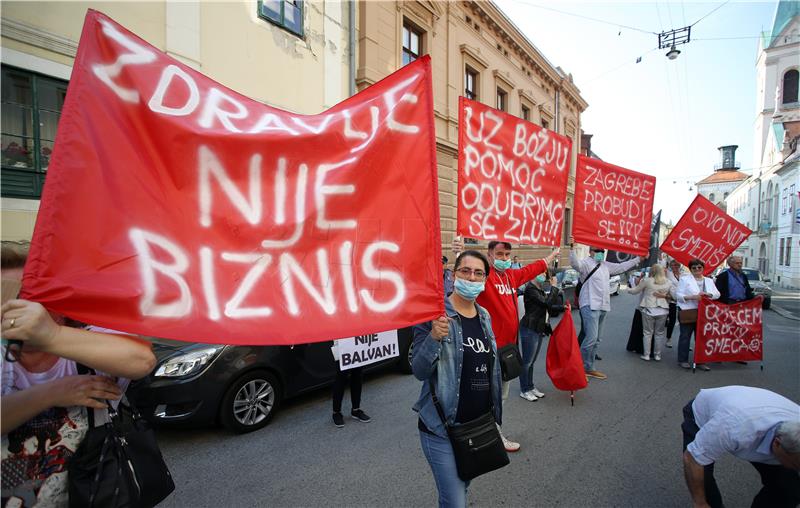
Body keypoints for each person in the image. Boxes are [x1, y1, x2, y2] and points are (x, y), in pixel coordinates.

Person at [0, 240, 157, 507]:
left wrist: (51, 335)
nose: (20, 313)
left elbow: (141, 360)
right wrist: (55, 392)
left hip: (96, 491)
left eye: (30, 298)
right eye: (8, 299)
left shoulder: (86, 342)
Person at [412, 250, 503, 507]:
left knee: (462, 488)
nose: (471, 278)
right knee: (455, 501)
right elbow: (419, 370)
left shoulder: (485, 316)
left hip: (476, 427)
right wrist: (433, 337)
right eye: (465, 271)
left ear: (485, 279)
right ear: (453, 275)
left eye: (478, 273)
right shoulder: (434, 316)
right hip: (441, 427)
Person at [453, 238, 558, 452]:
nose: (504, 259)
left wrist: (549, 258)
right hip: (487, 350)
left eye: (507, 255)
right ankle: (488, 435)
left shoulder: (511, 276)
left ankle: (490, 432)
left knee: (500, 396)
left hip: (507, 351)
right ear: (490, 255)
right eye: (499, 255)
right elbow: (468, 276)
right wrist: (459, 252)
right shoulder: (485, 276)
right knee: (487, 396)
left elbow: (529, 270)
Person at [682, 386, 800, 508]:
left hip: (753, 409)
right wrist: (700, 502)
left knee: (788, 490)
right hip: (706, 413)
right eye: (797, 465)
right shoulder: (733, 427)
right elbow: (692, 459)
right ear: (777, 444)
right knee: (702, 478)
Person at [568, 239, 640, 380]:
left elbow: (622, 266)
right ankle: (579, 368)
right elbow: (575, 264)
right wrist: (572, 249)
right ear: (590, 252)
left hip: (603, 306)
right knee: (590, 338)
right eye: (597, 250)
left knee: (597, 340)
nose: (600, 253)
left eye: (602, 251)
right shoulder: (586, 264)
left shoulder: (606, 265)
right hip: (589, 305)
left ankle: (590, 367)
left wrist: (638, 259)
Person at [518, 270, 564, 401]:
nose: (544, 276)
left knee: (532, 361)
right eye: (541, 273)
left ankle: (530, 386)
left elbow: (547, 308)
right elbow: (546, 303)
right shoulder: (531, 289)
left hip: (538, 328)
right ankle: (524, 390)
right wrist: (555, 287)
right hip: (529, 328)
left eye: (545, 274)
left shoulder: (539, 289)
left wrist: (564, 308)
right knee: (527, 362)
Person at [676, 258, 720, 371]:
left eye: (699, 267)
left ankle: (701, 361)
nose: (697, 269)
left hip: (704, 313)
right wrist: (692, 297)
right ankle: (683, 360)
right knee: (685, 336)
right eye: (694, 268)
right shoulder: (684, 280)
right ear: (690, 269)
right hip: (689, 311)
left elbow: (717, 294)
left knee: (702, 338)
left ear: (703, 268)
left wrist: (709, 294)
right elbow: (678, 296)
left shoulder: (709, 281)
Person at [627, 264, 671, 362]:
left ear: (652, 271)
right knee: (659, 334)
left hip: (649, 309)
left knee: (647, 333)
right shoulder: (668, 282)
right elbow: (673, 296)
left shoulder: (647, 280)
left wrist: (628, 289)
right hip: (663, 310)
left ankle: (646, 355)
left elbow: (635, 291)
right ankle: (657, 355)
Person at [665, 259, 683, 348]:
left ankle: (683, 341)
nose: (674, 267)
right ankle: (668, 339)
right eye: (672, 265)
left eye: (676, 265)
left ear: (679, 266)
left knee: (683, 321)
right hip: (672, 300)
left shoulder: (683, 275)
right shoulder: (668, 274)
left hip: (682, 302)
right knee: (671, 320)